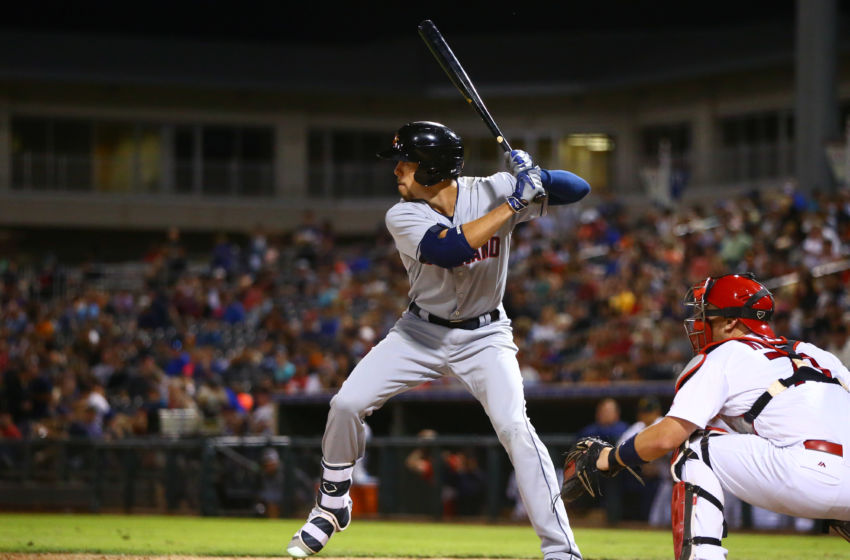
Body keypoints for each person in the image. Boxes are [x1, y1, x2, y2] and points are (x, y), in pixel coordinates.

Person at [286, 121, 590, 560]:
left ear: (430, 168)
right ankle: (332, 504)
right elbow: (451, 251)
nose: (396, 173)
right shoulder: (403, 213)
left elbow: (577, 189)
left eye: (404, 163)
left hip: (486, 335)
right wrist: (515, 202)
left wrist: (540, 177)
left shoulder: (495, 188)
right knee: (347, 404)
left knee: (516, 430)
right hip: (419, 332)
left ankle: (561, 550)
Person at [591, 273, 850, 559]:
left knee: (692, 446)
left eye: (708, 315)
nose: (700, 323)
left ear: (730, 322)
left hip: (808, 476)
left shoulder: (725, 353)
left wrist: (610, 458)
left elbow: (666, 437)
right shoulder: (818, 354)